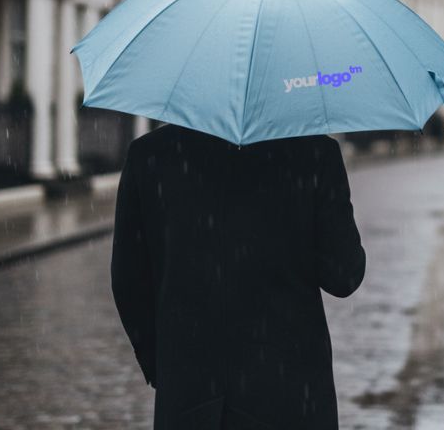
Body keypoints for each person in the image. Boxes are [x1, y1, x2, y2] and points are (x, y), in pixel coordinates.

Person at [111, 123, 366, 429]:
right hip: (291, 398)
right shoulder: (315, 153)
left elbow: (128, 280)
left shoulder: (150, 155)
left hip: (191, 398)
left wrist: (164, 364)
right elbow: (344, 276)